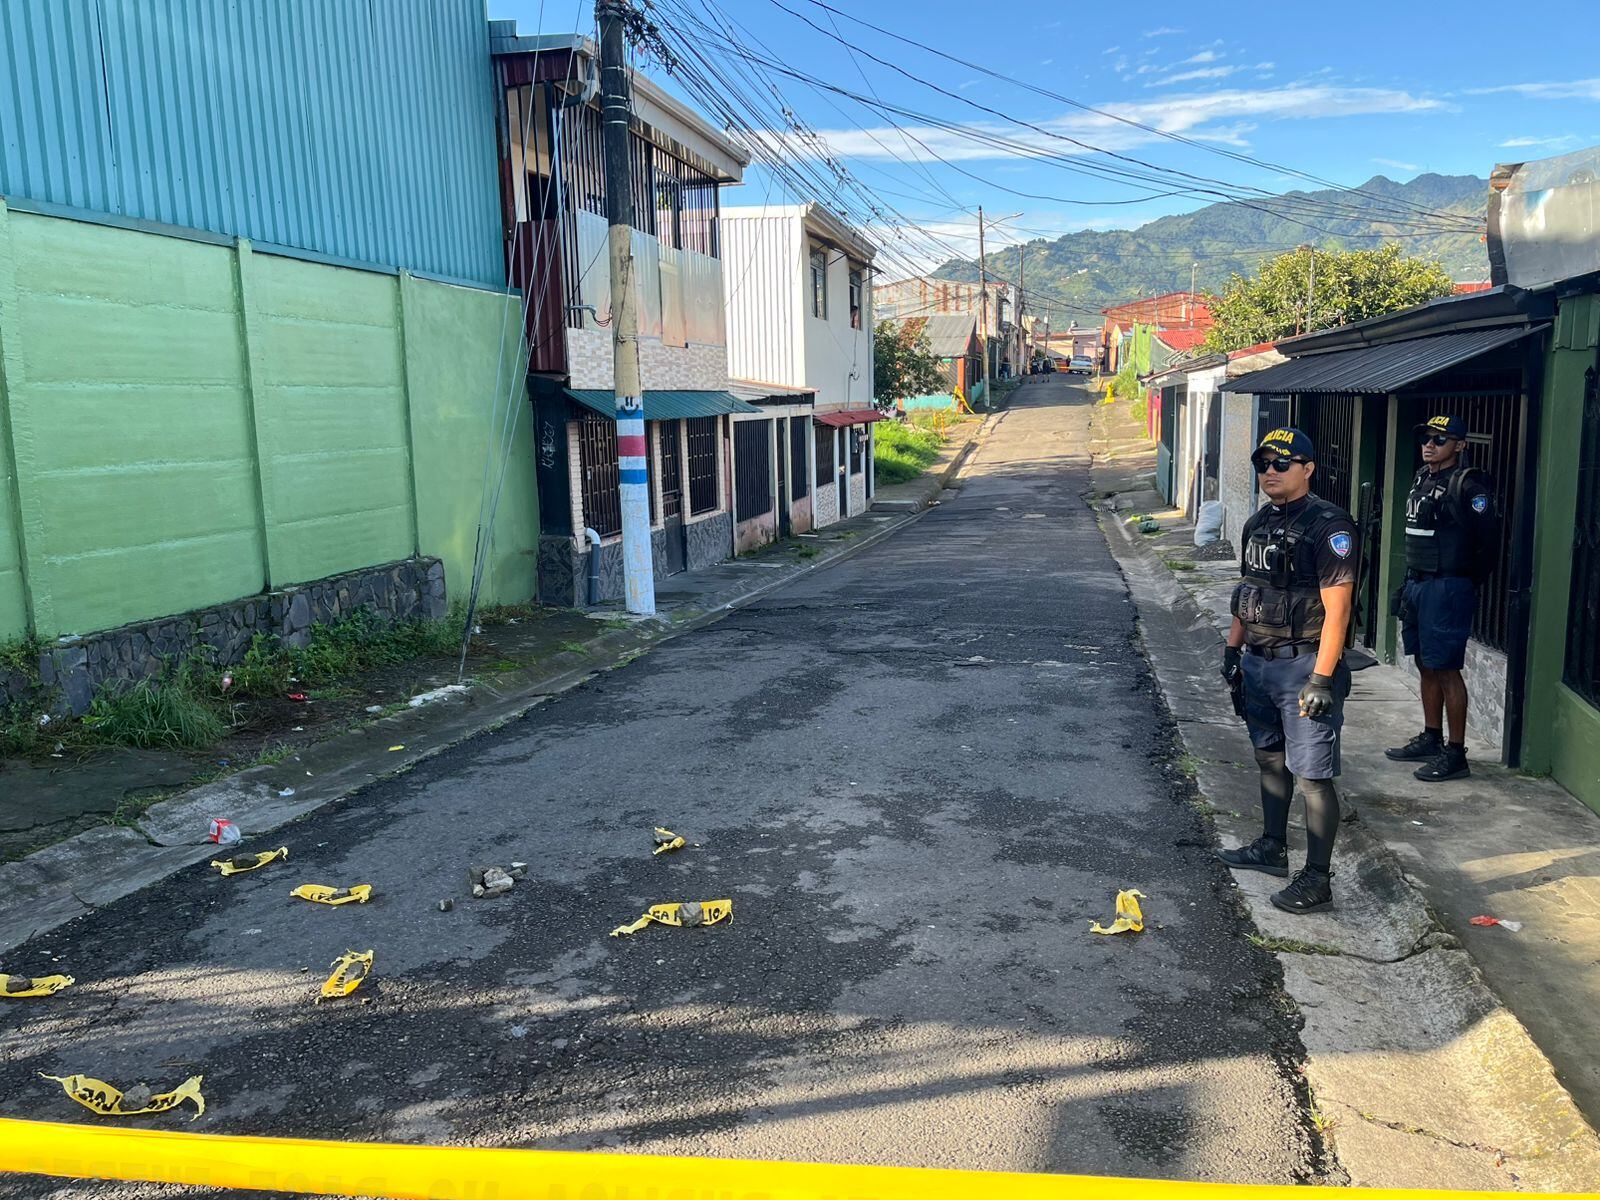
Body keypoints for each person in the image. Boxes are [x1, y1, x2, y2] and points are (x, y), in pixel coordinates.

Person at [1217, 428, 1357, 914]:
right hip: (1258, 662)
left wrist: (1322, 677)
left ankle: (1318, 879)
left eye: (1283, 463)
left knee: (1314, 776)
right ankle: (1271, 847)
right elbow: (1247, 590)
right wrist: (1233, 651)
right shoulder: (1257, 522)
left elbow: (1338, 610)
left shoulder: (1329, 527)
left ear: (1308, 468)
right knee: (1269, 759)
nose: (1270, 471)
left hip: (1303, 666)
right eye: (1263, 463)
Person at [1384, 415, 1498, 782]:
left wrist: (1463, 581)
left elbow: (1489, 542)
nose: (1429, 444)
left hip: (1447, 586)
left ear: (1460, 446)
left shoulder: (1468, 485)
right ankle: (1432, 736)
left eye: (1440, 439)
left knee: (1447, 668)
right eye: (1426, 437)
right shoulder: (1423, 478)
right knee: (1424, 662)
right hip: (1419, 582)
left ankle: (1455, 752)